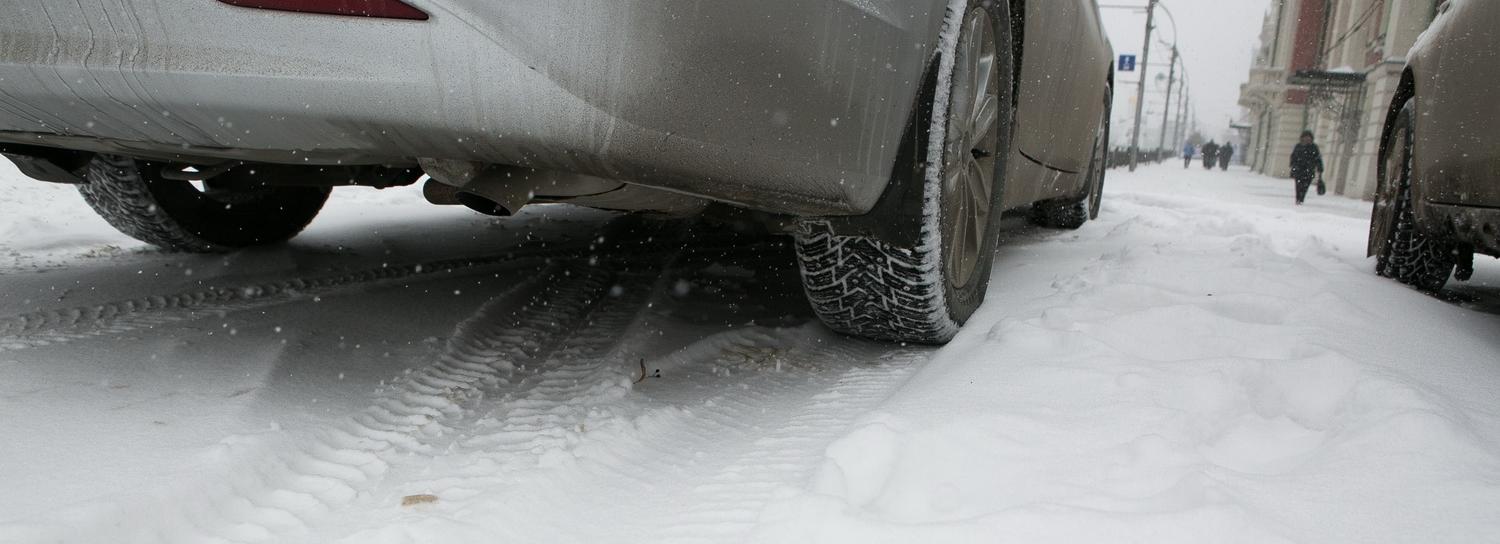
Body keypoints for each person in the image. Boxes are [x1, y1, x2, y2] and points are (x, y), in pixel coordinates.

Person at [1289, 131, 1324, 205]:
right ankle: (1298, 198)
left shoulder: (1314, 147)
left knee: (1305, 186)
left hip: (1309, 171)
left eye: (1308, 137)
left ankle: (1301, 198)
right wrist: (1293, 166)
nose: (1307, 139)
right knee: (1298, 186)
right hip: (1299, 170)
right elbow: (1293, 157)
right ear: (1302, 138)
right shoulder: (1298, 146)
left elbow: (1318, 159)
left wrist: (1320, 168)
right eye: (1305, 137)